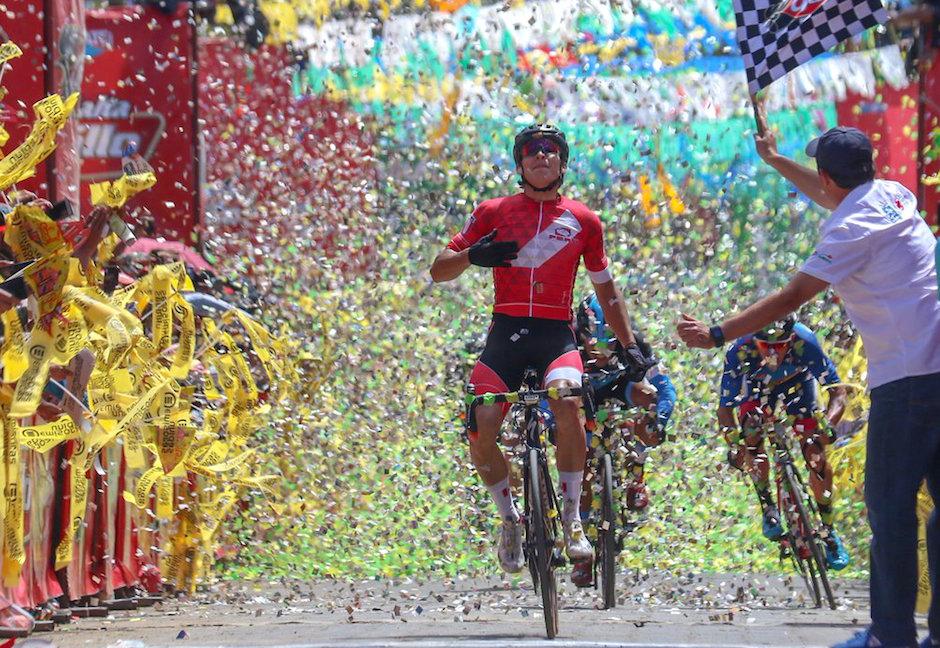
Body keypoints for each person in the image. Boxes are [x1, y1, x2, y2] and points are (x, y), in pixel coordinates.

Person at [677, 104, 940, 648]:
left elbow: (794, 296)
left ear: (826, 174)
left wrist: (718, 333)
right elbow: (831, 193)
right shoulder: (894, 194)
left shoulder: (847, 231)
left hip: (909, 379)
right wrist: (774, 160)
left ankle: (891, 637)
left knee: (889, 509)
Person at [430, 123, 650, 573]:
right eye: (531, 150)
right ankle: (510, 519)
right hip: (506, 335)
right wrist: (473, 256)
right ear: (519, 164)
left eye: (551, 150)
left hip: (555, 335)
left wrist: (629, 347)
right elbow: (437, 271)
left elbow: (607, 291)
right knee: (481, 425)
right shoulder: (492, 211)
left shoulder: (585, 221)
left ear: (563, 163)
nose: (541, 156)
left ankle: (571, 520)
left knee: (569, 405)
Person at [717, 316, 850, 570]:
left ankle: (829, 530)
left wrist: (829, 426)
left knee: (815, 453)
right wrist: (735, 444)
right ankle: (768, 505)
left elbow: (837, 391)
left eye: (781, 345)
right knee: (751, 433)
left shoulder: (805, 341)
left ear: (791, 338)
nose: (774, 353)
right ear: (754, 340)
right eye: (767, 346)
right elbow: (725, 410)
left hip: (797, 384)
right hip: (755, 387)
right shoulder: (739, 350)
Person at [568, 292, 676, 587]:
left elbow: (665, 389)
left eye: (610, 342)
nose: (601, 351)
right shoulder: (566, 344)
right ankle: (585, 553)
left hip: (619, 388)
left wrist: (660, 420)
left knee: (648, 399)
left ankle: (636, 474)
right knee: (585, 469)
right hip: (581, 397)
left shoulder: (635, 343)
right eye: (594, 342)